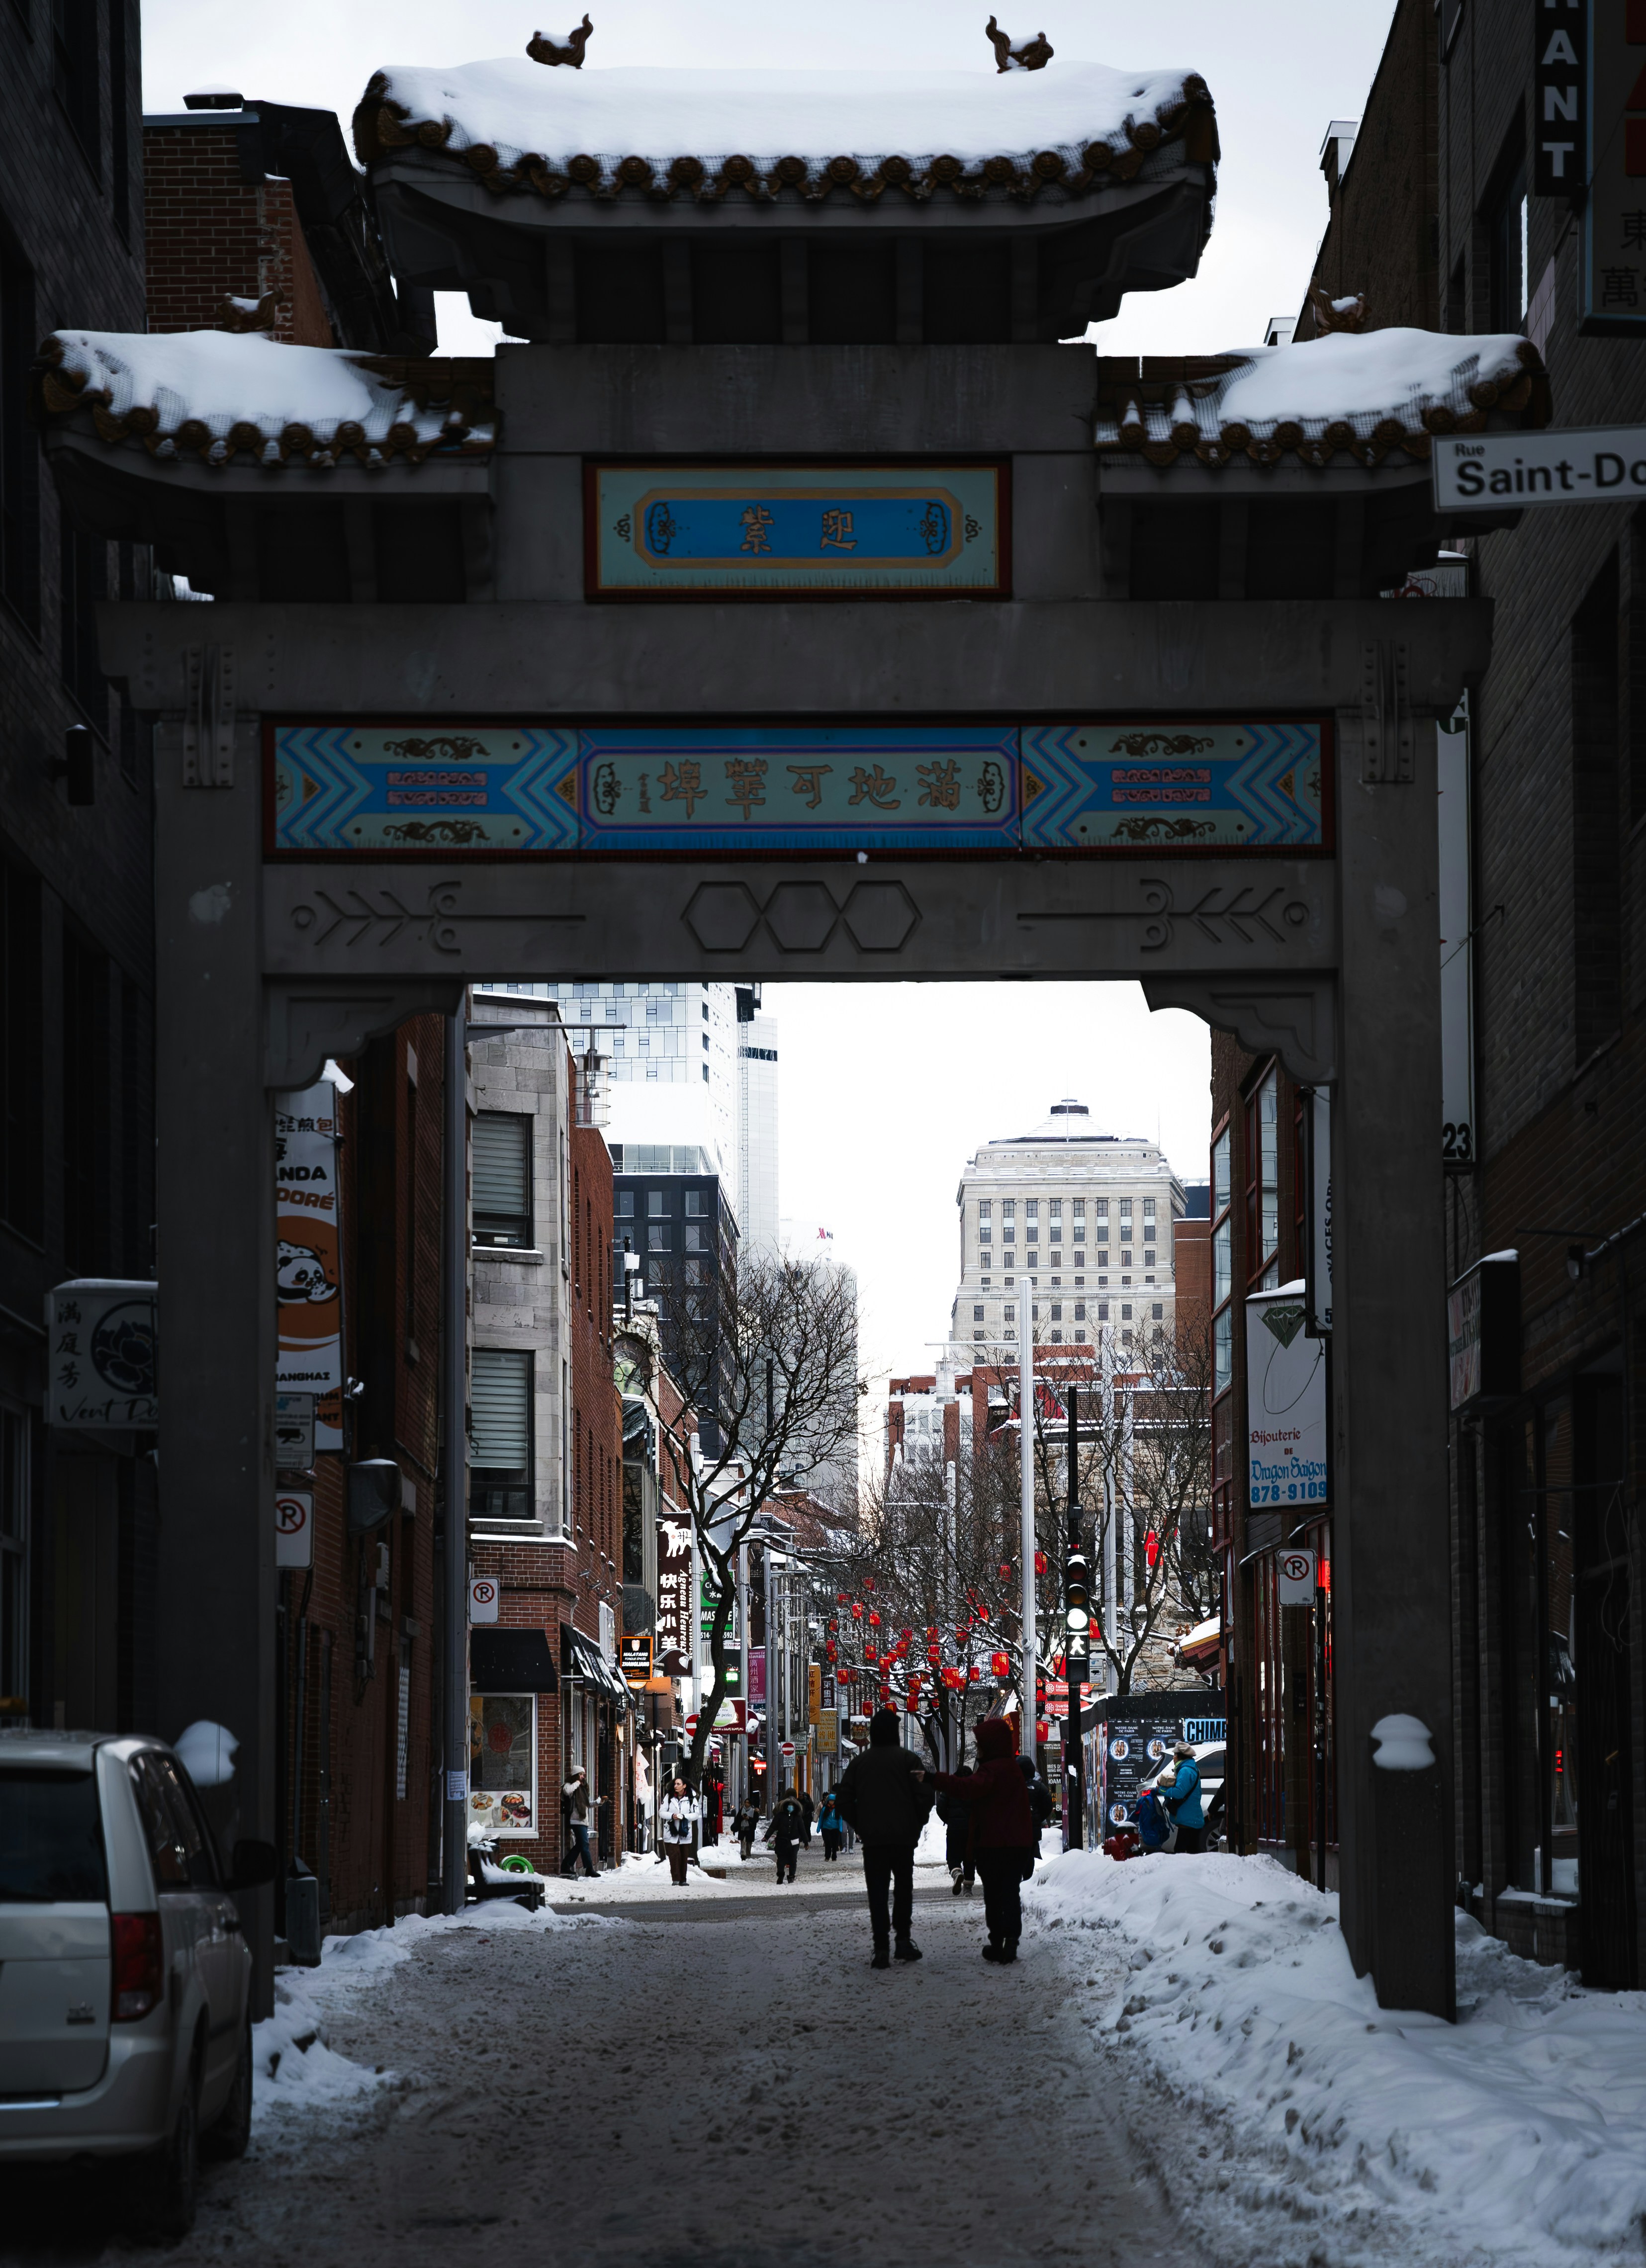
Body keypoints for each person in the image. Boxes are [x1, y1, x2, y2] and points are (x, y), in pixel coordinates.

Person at [835, 1707, 931, 1967]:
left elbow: (843, 1800)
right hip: (903, 1839)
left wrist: (862, 1825)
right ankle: (903, 1940)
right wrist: (916, 1822)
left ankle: (881, 1948)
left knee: (877, 1892)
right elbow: (925, 1795)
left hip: (874, 1840)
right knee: (903, 1888)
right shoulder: (909, 1760)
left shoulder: (860, 1763)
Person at [931, 1718, 1034, 1963]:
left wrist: (933, 1779)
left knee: (994, 1895)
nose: (977, 1748)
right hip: (1016, 1846)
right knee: (1010, 1893)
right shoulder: (1013, 1771)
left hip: (992, 1845)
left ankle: (998, 1942)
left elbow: (966, 1788)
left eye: (980, 1744)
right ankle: (1011, 1941)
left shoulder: (992, 1771)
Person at [1160, 1742, 1206, 1853]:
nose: (1173, 1758)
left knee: (1180, 1852)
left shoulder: (1185, 1771)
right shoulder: (1188, 1769)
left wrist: (1162, 1790)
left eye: (1175, 1755)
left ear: (1181, 1756)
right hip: (1190, 1819)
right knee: (1192, 1851)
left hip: (1188, 1820)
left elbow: (1180, 1792)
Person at [934, 1783, 975, 1896]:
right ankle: (968, 1888)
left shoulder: (950, 1787)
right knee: (970, 1858)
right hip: (971, 1830)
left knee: (953, 1857)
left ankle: (957, 1873)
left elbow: (940, 1808)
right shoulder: (974, 1787)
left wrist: (950, 1820)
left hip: (954, 1830)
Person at [659, 1773, 699, 1886]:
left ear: (684, 1786)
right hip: (671, 1830)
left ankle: (683, 1880)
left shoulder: (691, 1798)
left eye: (678, 1784)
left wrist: (685, 1816)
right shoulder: (669, 1797)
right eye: (675, 1784)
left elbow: (696, 1814)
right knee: (674, 1855)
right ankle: (676, 1879)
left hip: (685, 1831)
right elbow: (661, 1812)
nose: (676, 1786)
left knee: (683, 1856)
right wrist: (673, 1816)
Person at [561, 1767, 599, 1879]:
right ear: (576, 1775)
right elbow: (566, 1791)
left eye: (584, 1775)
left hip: (583, 1821)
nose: (583, 1777)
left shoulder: (581, 1789)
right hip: (576, 1820)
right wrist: (577, 1782)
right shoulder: (570, 1785)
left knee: (580, 1845)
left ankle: (566, 1865)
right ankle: (589, 1869)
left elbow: (587, 1805)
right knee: (585, 1844)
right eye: (581, 1774)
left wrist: (598, 1802)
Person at [764, 1784, 806, 1883]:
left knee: (781, 1858)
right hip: (794, 1838)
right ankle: (791, 1876)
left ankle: (782, 1873)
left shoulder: (781, 1804)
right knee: (793, 1858)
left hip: (782, 1836)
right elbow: (801, 1821)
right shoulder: (797, 1804)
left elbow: (775, 1816)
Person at [732, 1790, 763, 1862]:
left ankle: (748, 1855)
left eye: (748, 1803)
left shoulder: (754, 1811)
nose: (746, 1804)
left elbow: (756, 1820)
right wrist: (742, 1817)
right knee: (743, 1842)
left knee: (749, 1843)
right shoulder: (742, 1810)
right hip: (742, 1829)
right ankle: (743, 1854)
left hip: (750, 1829)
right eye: (745, 1802)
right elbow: (738, 1819)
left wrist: (749, 1818)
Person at [817, 1787, 844, 1861]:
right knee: (828, 1842)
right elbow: (821, 1818)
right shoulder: (825, 1809)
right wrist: (819, 1827)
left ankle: (834, 1856)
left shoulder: (837, 1809)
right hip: (826, 1828)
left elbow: (840, 1819)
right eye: (830, 1801)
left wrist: (840, 1828)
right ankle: (827, 1856)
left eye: (833, 1801)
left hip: (835, 1828)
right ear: (828, 1801)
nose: (832, 1802)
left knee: (835, 1843)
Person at [798, 1785, 815, 1849]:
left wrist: (807, 1813)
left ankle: (807, 1840)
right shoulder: (798, 1801)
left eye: (801, 1796)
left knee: (807, 1828)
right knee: (801, 1829)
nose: (800, 1797)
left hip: (807, 1818)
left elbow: (812, 1809)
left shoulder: (808, 1802)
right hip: (801, 1817)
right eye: (799, 1796)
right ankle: (802, 1840)